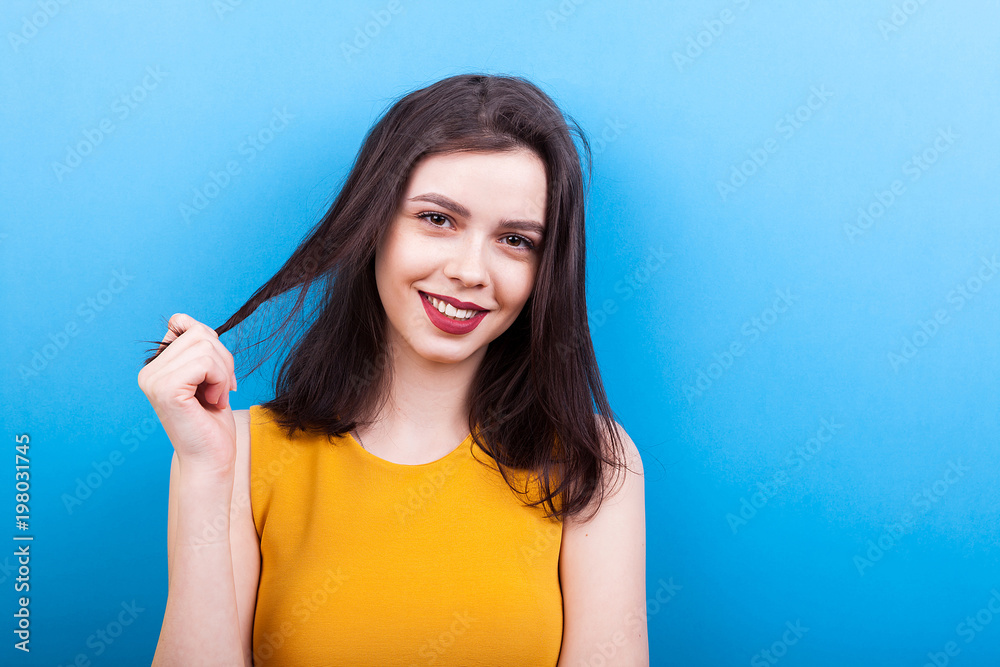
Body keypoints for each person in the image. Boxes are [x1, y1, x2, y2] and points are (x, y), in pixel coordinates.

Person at [138, 73, 647, 666]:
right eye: (437, 219)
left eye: (515, 239)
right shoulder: (238, 453)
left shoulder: (590, 460)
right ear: (373, 223)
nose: (470, 271)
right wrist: (204, 469)